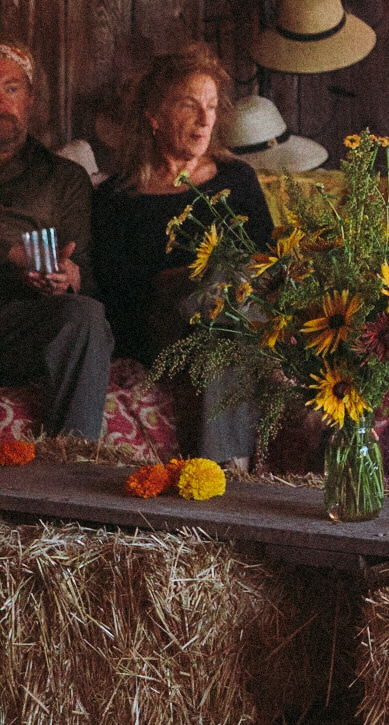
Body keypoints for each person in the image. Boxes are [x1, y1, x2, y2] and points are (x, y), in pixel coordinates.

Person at [89, 46, 273, 466]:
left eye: (210, 107)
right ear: (154, 116)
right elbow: (117, 292)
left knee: (228, 303)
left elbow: (266, 260)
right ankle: (229, 466)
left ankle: (225, 466)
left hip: (236, 317)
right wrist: (188, 281)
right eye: (190, 107)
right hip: (161, 328)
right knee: (218, 290)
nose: (206, 120)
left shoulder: (236, 178)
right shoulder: (118, 197)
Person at [0, 43, 113, 441]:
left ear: (30, 98)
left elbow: (84, 273)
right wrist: (13, 253)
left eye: (11, 89)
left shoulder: (63, 179)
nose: (1, 103)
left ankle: (73, 461)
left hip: (17, 327)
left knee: (84, 315)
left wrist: (67, 278)